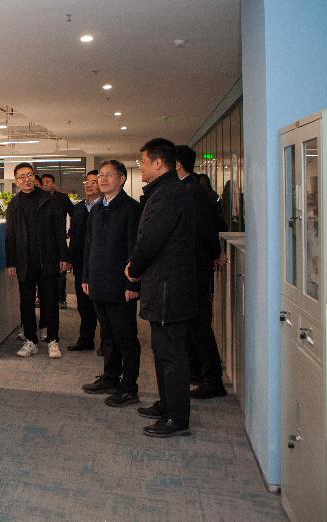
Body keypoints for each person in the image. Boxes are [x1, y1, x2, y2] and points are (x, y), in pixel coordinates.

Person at [125, 138, 197, 438]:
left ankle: (176, 418)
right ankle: (167, 405)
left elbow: (151, 239)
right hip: (164, 283)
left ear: (158, 163)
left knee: (171, 354)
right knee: (161, 350)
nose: (140, 167)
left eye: (143, 162)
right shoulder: (164, 192)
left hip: (169, 286)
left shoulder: (168, 195)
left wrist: (134, 268)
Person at [80, 161, 143, 408]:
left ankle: (129, 387)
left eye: (109, 175)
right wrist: (86, 276)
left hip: (120, 285)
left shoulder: (131, 208)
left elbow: (134, 249)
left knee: (125, 337)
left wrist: (132, 284)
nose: (103, 179)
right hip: (97, 282)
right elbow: (89, 245)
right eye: (100, 176)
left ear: (122, 179)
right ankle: (110, 377)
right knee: (107, 335)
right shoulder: (97, 208)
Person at [175, 145, 227, 399]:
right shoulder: (188, 189)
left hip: (194, 267)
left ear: (177, 164)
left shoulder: (192, 192)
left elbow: (206, 230)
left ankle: (212, 379)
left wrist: (214, 254)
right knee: (191, 324)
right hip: (191, 266)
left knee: (199, 325)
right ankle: (195, 371)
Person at [5, 163, 70, 359]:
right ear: (16, 181)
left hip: (48, 259)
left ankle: (53, 340)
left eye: (29, 175)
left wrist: (63, 256)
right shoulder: (14, 204)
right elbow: (10, 235)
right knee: (26, 303)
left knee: (49, 301)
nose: (26, 179)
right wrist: (11, 262)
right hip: (24, 261)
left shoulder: (49, 200)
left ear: (34, 177)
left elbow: (59, 230)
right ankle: (31, 341)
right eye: (21, 176)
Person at [67, 170, 100, 351]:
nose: (89, 185)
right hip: (81, 262)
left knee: (100, 304)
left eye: (94, 182)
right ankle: (86, 339)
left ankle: (107, 343)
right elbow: (74, 235)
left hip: (100, 263)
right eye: (87, 182)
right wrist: (70, 258)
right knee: (83, 303)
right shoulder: (78, 208)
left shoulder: (105, 206)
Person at [41, 173, 74, 310]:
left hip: (59, 238)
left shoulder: (62, 198)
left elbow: (74, 214)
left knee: (61, 270)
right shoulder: (39, 198)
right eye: (43, 182)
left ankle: (61, 298)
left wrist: (71, 230)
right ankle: (41, 298)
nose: (45, 184)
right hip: (44, 240)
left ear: (53, 183)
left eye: (48, 182)